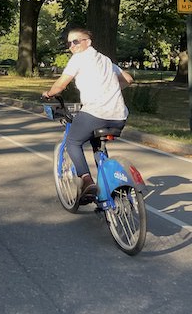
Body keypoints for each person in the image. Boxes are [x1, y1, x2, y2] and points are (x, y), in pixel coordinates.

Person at [43, 28, 134, 200]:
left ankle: (86, 180)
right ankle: (106, 188)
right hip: (119, 116)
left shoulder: (78, 59)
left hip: (96, 113)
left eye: (76, 41)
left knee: (73, 141)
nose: (72, 46)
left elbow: (61, 85)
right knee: (97, 143)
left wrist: (49, 93)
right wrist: (112, 89)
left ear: (88, 42)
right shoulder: (105, 60)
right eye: (69, 43)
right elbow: (128, 79)